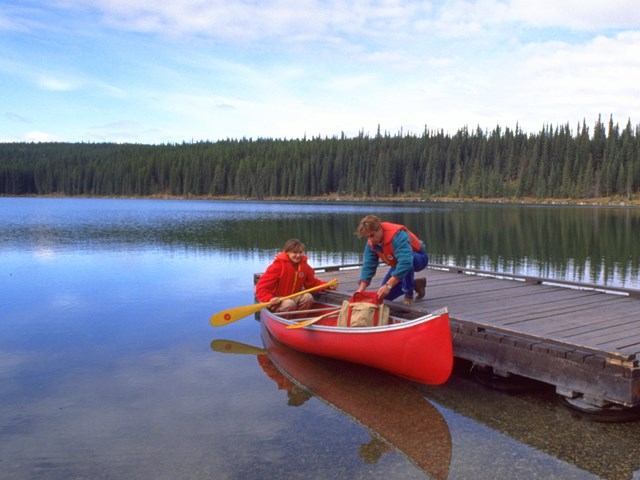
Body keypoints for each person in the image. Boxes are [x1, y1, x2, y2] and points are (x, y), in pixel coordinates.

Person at [355, 215, 428, 305]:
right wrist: (361, 289)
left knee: (407, 262)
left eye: (372, 235)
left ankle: (408, 294)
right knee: (384, 297)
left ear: (379, 229)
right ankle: (416, 285)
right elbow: (368, 264)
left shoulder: (397, 235)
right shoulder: (372, 242)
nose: (370, 239)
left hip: (419, 258)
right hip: (397, 263)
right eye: (368, 237)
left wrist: (389, 285)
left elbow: (406, 263)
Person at [255, 238, 327, 312]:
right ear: (287, 252)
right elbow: (261, 288)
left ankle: (299, 319)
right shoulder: (277, 266)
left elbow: (312, 283)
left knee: (308, 297)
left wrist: (327, 285)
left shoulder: (304, 266)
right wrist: (269, 298)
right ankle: (285, 320)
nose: (298, 255)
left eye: (300, 252)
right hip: (277, 300)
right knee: (289, 304)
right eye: (295, 253)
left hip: (293, 297)